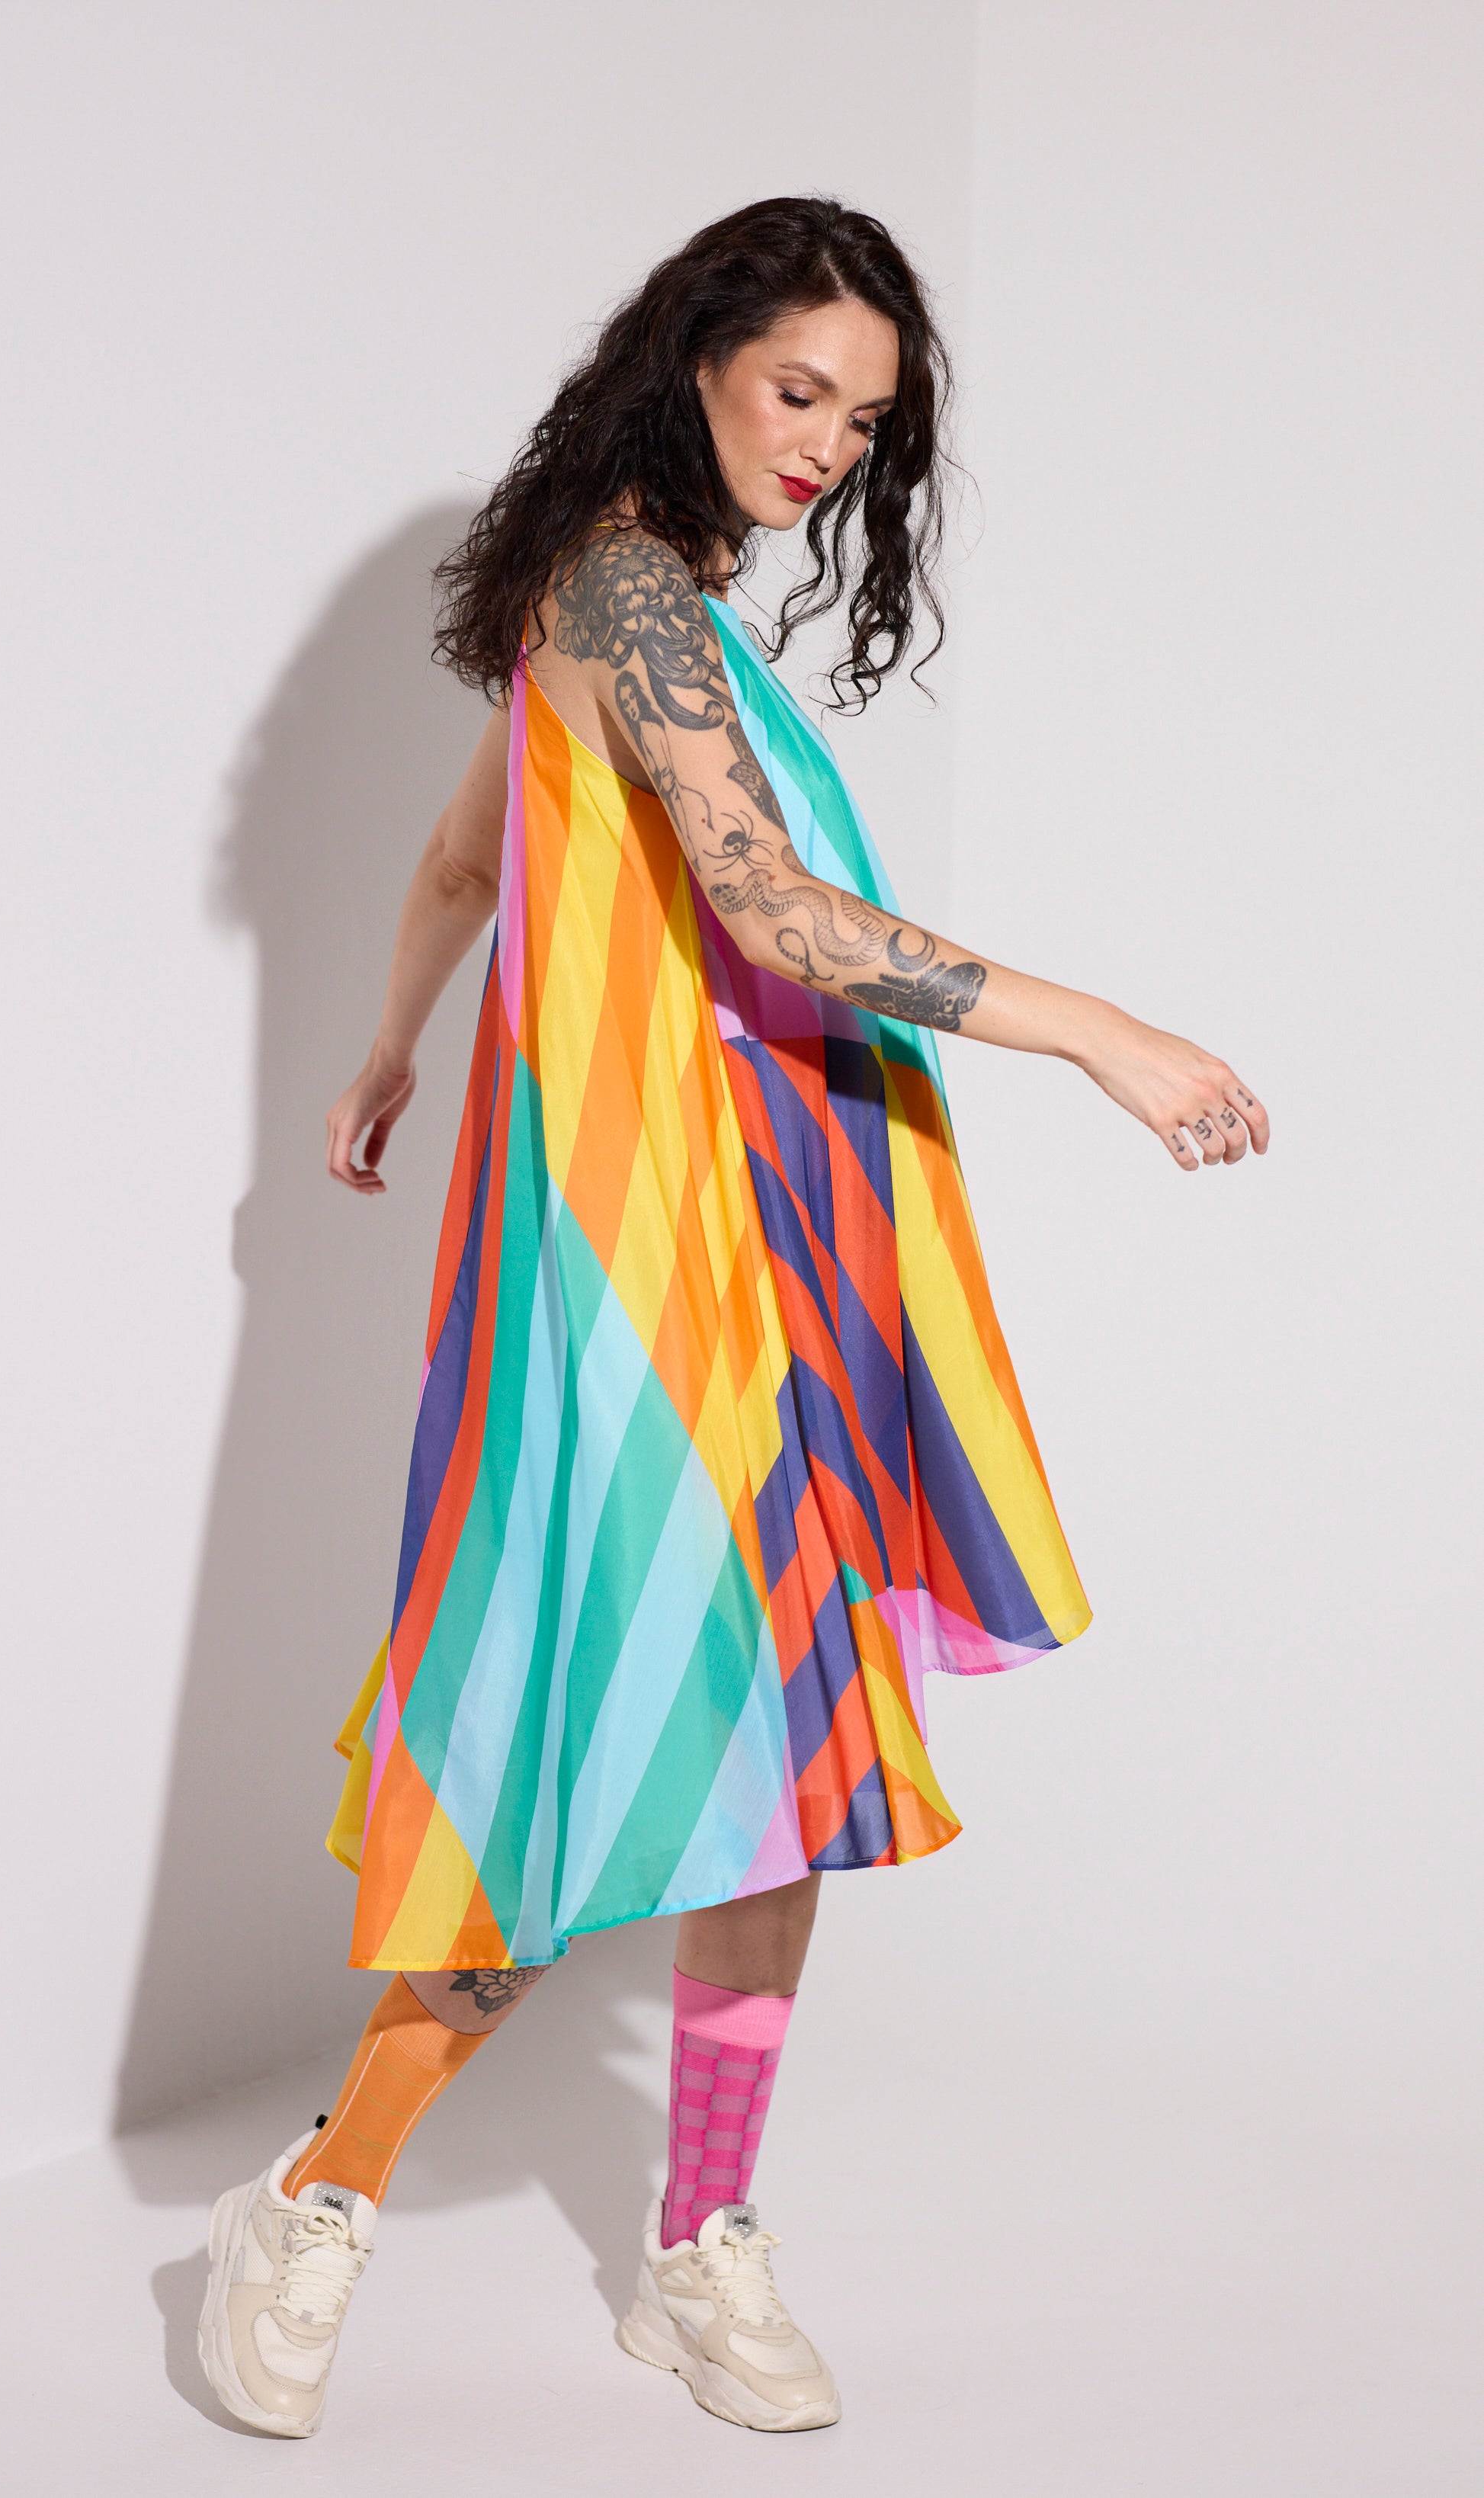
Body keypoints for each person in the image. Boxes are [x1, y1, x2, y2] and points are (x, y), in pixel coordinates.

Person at [196, 196, 1268, 2441]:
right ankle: (315, 2196)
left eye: (863, 422)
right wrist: (1104, 1033)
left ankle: (699, 2243)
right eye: (798, 389)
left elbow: (468, 860)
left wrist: (391, 1039)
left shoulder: (621, 598)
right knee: (587, 1723)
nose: (825, 446)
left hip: (773, 1241)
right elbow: (770, 912)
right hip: (635, 1258)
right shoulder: (617, 588)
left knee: (789, 1746)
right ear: (690, 359)